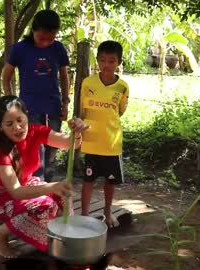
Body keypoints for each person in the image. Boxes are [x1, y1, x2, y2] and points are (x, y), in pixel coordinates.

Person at [0, 95, 88, 258]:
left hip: (25, 185)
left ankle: (61, 239)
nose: (17, 128)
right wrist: (53, 186)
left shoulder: (35, 131)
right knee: (45, 205)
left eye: (20, 120)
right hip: (0, 197)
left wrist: (77, 132)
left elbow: (69, 143)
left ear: (27, 116)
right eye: (9, 124)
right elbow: (16, 192)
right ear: (0, 126)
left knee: (62, 197)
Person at [2, 9, 70, 182]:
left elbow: (64, 76)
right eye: (42, 38)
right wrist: (11, 103)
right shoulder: (19, 49)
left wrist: (65, 103)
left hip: (53, 105)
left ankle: (50, 180)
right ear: (33, 30)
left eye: (51, 38)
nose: (46, 43)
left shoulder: (59, 49)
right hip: (28, 107)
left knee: (53, 145)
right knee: (34, 146)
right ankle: (36, 182)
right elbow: (6, 76)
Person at [79, 40, 129, 228]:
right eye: (102, 60)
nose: (106, 65)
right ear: (97, 61)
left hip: (111, 144)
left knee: (110, 181)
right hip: (90, 142)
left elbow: (120, 110)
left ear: (119, 62)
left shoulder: (123, 87)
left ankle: (107, 213)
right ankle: (84, 215)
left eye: (111, 61)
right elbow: (83, 111)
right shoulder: (87, 83)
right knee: (88, 180)